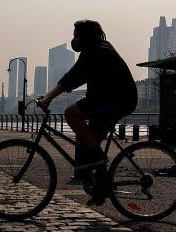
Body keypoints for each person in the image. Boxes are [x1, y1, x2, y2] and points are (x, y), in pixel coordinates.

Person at [37, 20, 137, 205]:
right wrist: (49, 95)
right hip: (110, 98)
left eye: (76, 35)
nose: (74, 39)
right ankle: (101, 187)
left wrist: (48, 98)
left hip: (115, 99)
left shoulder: (95, 51)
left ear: (85, 36)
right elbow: (75, 77)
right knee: (91, 139)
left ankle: (99, 162)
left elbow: (72, 78)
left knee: (70, 113)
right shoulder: (99, 47)